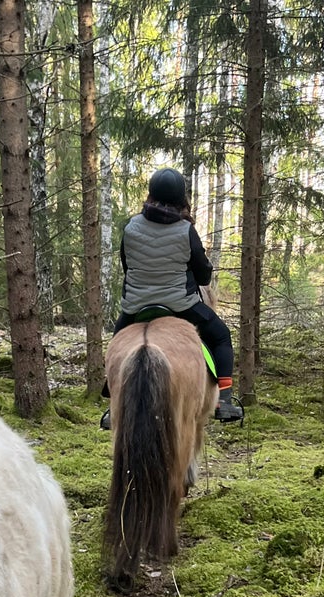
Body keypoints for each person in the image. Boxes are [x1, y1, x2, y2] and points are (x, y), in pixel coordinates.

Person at [100, 167, 243, 428]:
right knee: (222, 336)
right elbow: (202, 275)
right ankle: (224, 399)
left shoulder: (131, 227)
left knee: (117, 344)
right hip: (181, 305)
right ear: (181, 199)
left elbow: (127, 265)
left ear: (150, 195)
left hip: (136, 306)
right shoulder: (185, 231)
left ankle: (113, 405)